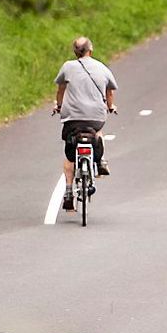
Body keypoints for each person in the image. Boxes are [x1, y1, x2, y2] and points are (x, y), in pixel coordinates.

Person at [53, 36, 118, 211]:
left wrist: (59, 106)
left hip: (72, 119)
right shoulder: (101, 67)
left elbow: (60, 90)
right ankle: (101, 161)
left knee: (69, 155)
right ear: (91, 50)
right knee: (97, 133)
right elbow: (109, 91)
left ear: (75, 52)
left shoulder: (68, 67)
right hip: (95, 118)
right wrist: (110, 106)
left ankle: (68, 192)